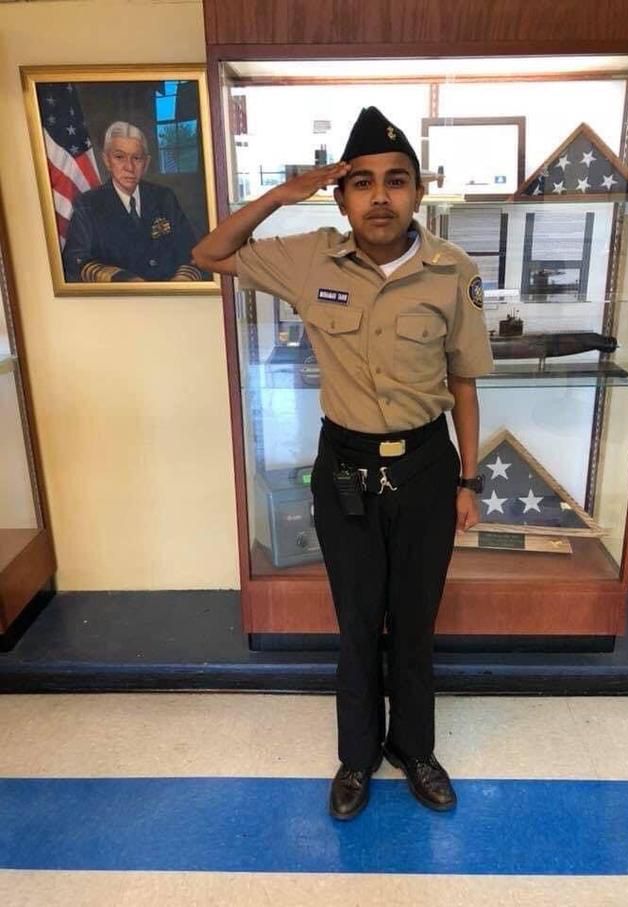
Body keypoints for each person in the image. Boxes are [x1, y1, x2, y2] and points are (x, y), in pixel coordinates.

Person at [193, 106, 493, 820]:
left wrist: (468, 480)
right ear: (341, 197)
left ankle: (414, 749)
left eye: (396, 180)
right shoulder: (311, 258)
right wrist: (280, 195)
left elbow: (463, 383)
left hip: (426, 469)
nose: (380, 196)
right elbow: (210, 253)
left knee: (414, 621)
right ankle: (356, 756)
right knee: (358, 622)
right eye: (362, 183)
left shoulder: (453, 270)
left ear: (418, 192)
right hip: (345, 471)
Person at [62, 121, 202, 283]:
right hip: (120, 295)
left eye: (137, 158)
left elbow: (191, 251)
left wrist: (180, 283)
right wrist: (125, 281)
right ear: (106, 160)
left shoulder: (164, 198)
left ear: (146, 163)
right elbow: (76, 260)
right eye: (119, 157)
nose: (129, 167)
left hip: (168, 292)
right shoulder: (89, 204)